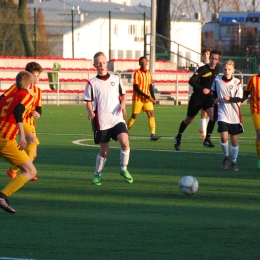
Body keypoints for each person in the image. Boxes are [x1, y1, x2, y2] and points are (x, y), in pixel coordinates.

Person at [84, 51, 133, 185]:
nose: (101, 65)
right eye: (98, 63)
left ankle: (123, 169)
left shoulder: (116, 79)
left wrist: (123, 104)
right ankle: (97, 174)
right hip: (102, 121)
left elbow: (123, 95)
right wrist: (90, 111)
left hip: (117, 118)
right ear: (94, 65)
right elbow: (88, 101)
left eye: (103, 63)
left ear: (107, 64)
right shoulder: (91, 83)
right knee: (104, 151)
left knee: (125, 142)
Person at [0, 71, 37, 214]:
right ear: (31, 84)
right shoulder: (26, 96)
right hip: (5, 140)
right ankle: (2, 196)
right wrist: (22, 135)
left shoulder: (7, 97)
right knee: (30, 170)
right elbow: (18, 112)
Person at [1, 62, 43, 182]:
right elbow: (3, 97)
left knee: (33, 154)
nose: (36, 79)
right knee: (32, 140)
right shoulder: (16, 87)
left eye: (38, 76)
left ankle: (14, 169)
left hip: (30, 122)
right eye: (34, 76)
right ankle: (28, 171)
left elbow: (39, 108)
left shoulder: (38, 91)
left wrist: (38, 113)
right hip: (19, 120)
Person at [174, 49, 222, 151]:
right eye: (212, 58)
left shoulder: (217, 70)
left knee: (214, 117)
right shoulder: (203, 69)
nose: (213, 61)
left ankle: (207, 139)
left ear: (218, 60)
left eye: (215, 59)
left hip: (208, 98)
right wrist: (202, 89)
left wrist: (215, 94)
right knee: (189, 120)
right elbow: (191, 81)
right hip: (197, 97)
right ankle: (178, 136)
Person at [211, 60, 243, 171]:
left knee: (234, 139)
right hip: (222, 113)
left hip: (234, 115)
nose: (227, 71)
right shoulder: (217, 80)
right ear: (223, 70)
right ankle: (226, 156)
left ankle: (234, 161)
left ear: (233, 70)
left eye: (229, 69)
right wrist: (216, 99)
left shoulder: (237, 82)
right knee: (224, 137)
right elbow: (213, 93)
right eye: (225, 69)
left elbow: (240, 98)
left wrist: (230, 99)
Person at [127, 56, 161, 141]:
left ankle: (153, 134)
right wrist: (148, 97)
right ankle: (124, 131)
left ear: (147, 63)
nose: (143, 62)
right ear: (139, 63)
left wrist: (153, 97)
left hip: (147, 99)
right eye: (141, 61)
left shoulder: (149, 73)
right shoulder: (137, 73)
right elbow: (136, 88)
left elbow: (150, 86)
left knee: (151, 113)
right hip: (138, 98)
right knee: (134, 116)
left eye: (144, 61)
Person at [233, 61, 260, 169]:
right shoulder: (253, 79)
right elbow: (246, 93)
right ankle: (259, 159)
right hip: (256, 111)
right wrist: (236, 102)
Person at [195, 49, 210, 140]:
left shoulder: (213, 65)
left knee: (215, 113)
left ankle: (202, 128)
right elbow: (196, 78)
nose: (206, 55)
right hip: (202, 91)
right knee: (204, 112)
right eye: (204, 54)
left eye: (207, 54)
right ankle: (204, 134)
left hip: (211, 91)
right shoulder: (199, 65)